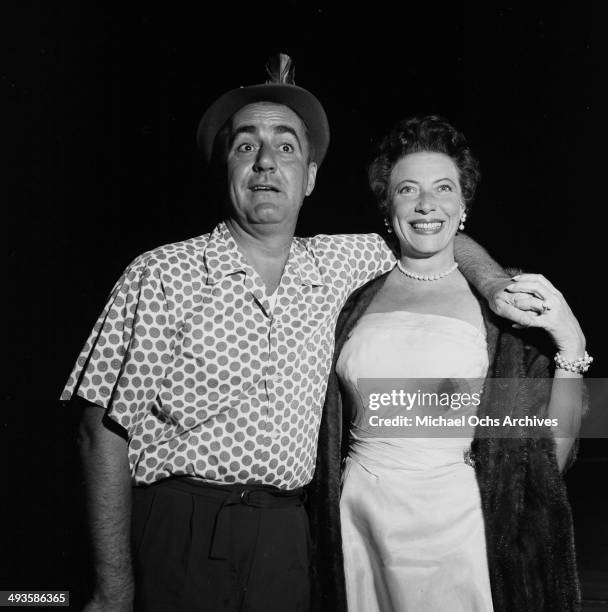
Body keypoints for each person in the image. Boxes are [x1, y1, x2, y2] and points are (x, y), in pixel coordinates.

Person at [62, 57, 537, 612]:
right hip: (177, 529)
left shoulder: (340, 264)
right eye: (246, 146)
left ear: (309, 176)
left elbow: (434, 230)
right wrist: (113, 587)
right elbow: (100, 434)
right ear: (225, 168)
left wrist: (495, 282)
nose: (266, 162)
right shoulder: (161, 273)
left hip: (289, 538)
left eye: (287, 147)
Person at [308, 115, 589, 612]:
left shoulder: (502, 311)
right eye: (407, 189)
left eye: (443, 188)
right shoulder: (351, 300)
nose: (425, 204)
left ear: (463, 206)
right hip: (360, 521)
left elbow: (549, 462)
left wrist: (571, 348)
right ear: (387, 205)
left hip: (457, 529)